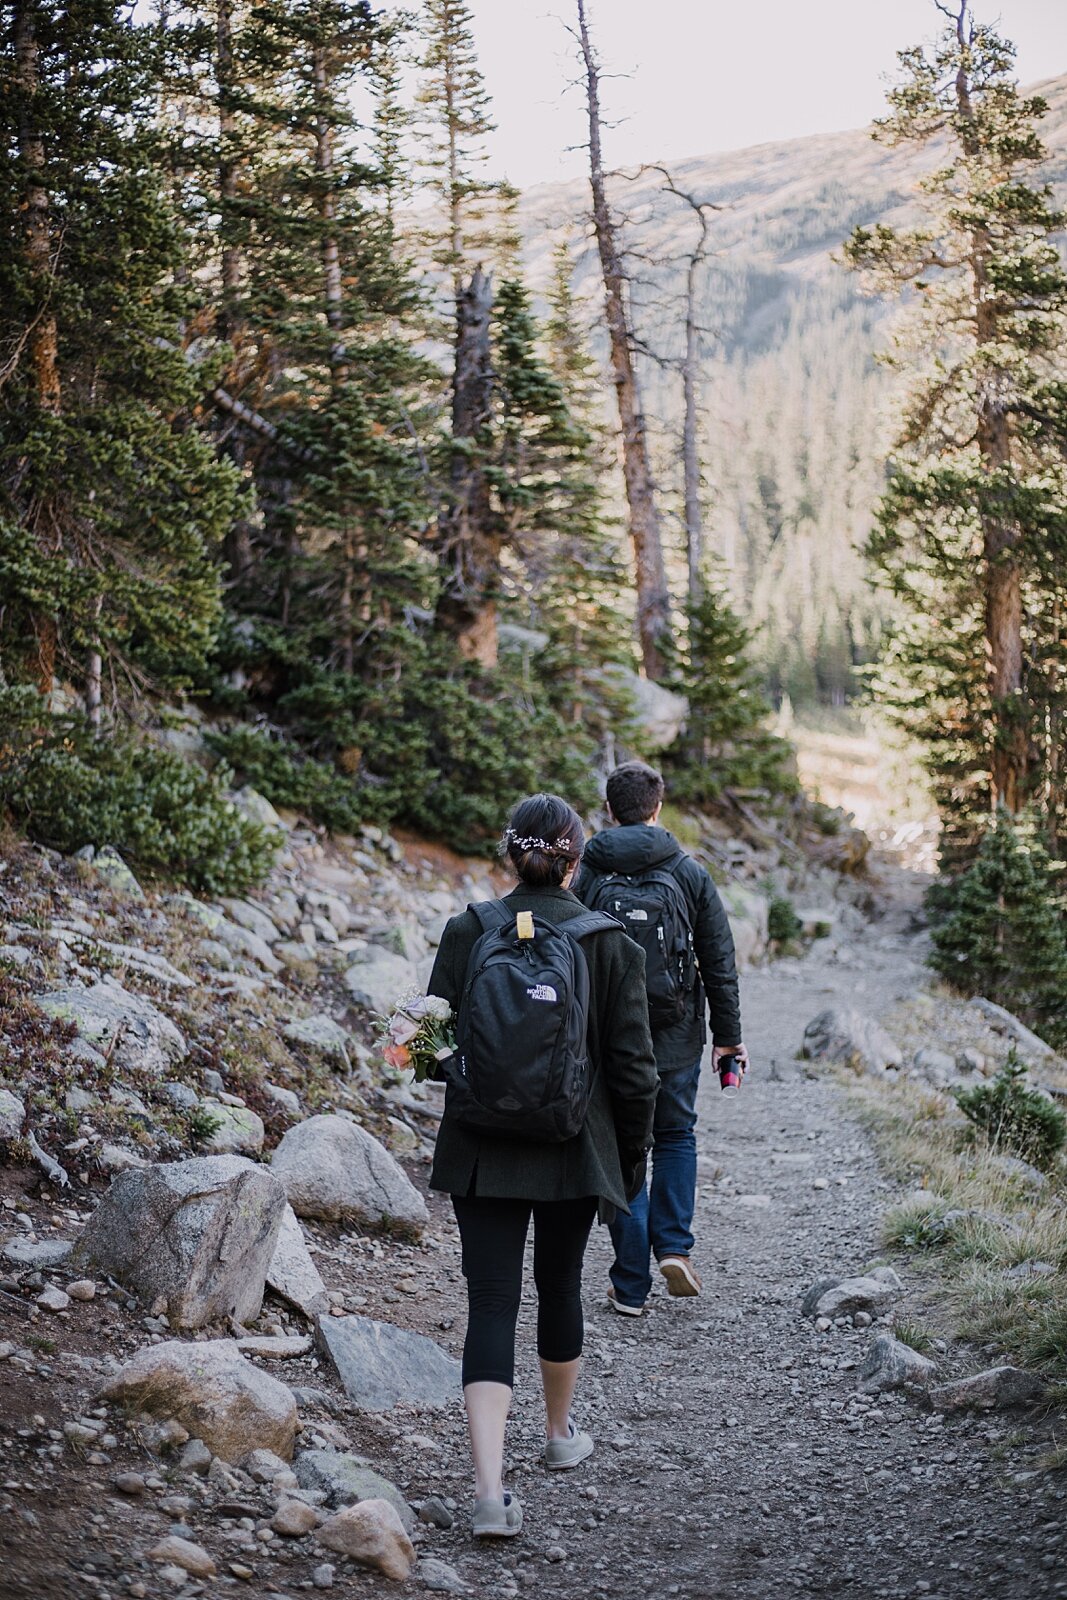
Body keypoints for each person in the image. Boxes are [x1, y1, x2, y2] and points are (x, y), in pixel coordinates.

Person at [427, 792, 658, 1540]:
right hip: (573, 1149)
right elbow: (634, 1073)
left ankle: (488, 1489)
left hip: (481, 1148)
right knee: (559, 1286)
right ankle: (558, 1437)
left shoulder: (469, 930)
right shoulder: (610, 943)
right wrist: (629, 1162)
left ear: (509, 854)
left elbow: (433, 1045)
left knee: (490, 1304)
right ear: (575, 860)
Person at [576, 760, 746, 1314]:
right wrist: (728, 1038)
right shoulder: (688, 871)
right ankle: (674, 1249)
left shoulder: (589, 872)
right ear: (657, 808)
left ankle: (629, 1284)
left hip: (608, 1038)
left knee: (625, 1150)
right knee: (676, 1136)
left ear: (609, 810)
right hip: (674, 1035)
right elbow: (718, 960)